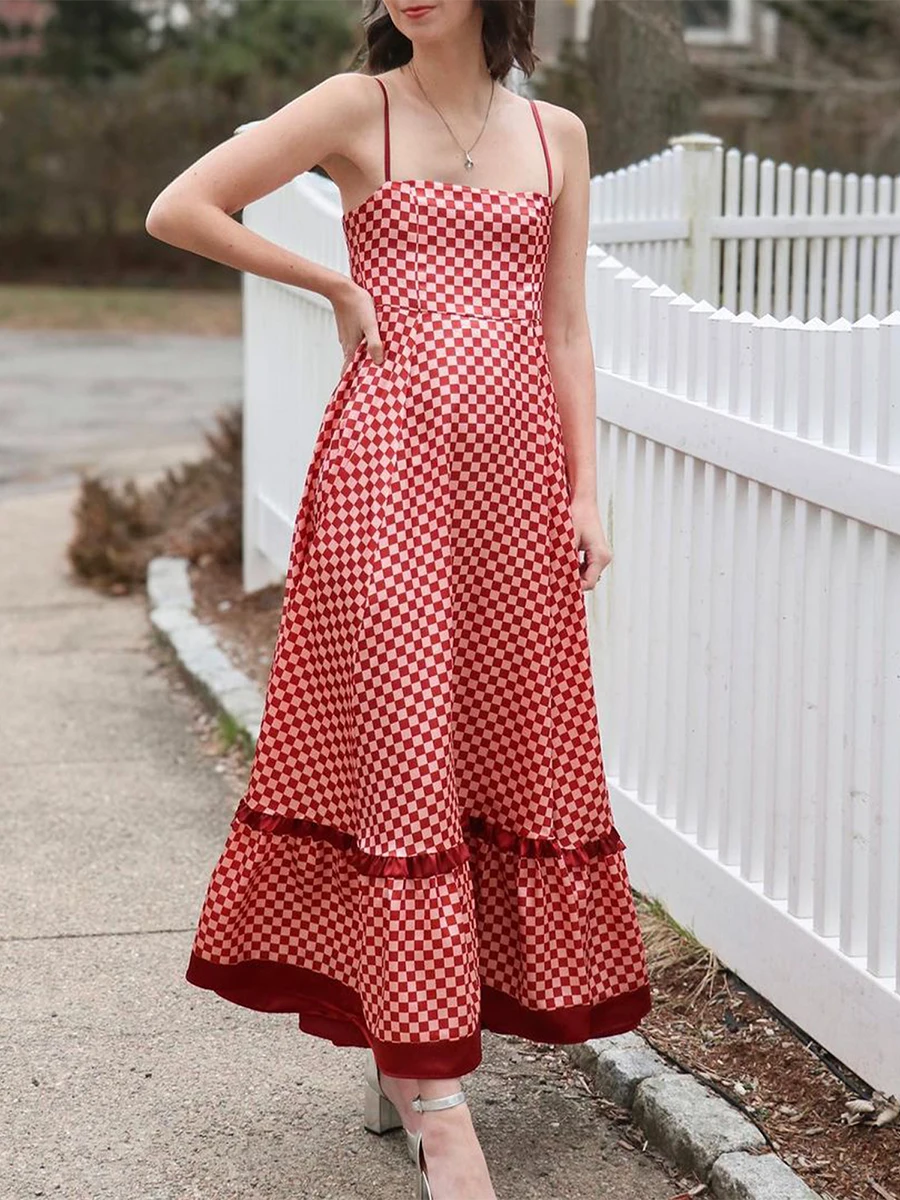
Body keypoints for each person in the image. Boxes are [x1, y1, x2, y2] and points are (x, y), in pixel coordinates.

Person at [146, 2, 652, 1197]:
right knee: (406, 746)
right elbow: (181, 209)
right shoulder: (350, 106)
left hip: (516, 480)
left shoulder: (559, 135)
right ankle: (437, 1097)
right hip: (387, 471)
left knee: (489, 746)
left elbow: (566, 328)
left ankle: (405, 1039)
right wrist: (327, 277)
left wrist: (586, 494)